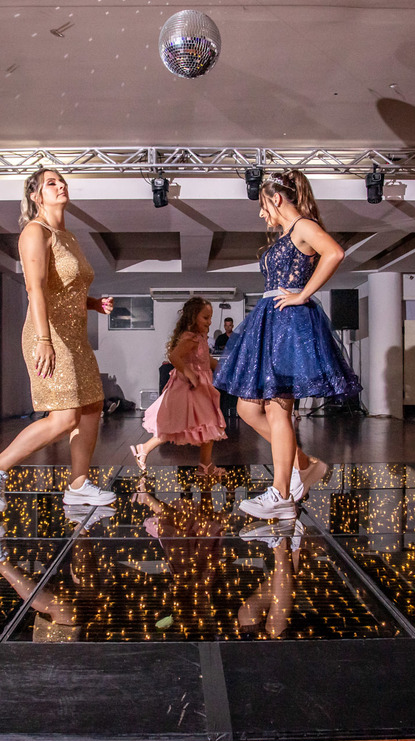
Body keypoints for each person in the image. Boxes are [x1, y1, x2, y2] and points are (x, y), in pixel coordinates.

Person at [213, 169, 361, 520]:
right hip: (271, 321)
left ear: (276, 198)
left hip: (289, 324)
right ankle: (305, 464)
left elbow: (334, 253)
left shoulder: (303, 227)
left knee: (278, 409)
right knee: (248, 409)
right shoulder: (286, 234)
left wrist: (302, 295)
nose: (261, 213)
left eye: (263, 205)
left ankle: (281, 494)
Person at [0, 169, 117, 512]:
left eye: (62, 181)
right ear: (36, 196)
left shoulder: (68, 237)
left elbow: (64, 289)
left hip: (75, 336)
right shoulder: (35, 232)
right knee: (64, 417)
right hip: (48, 334)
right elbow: (35, 288)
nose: (61, 185)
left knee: (92, 406)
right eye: (51, 183)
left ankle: (78, 485)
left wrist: (94, 303)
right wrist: (44, 340)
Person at [131, 297, 227, 474]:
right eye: (205, 317)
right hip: (190, 387)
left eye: (210, 318)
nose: (209, 322)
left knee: (208, 424)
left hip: (201, 386)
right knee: (186, 423)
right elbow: (174, 357)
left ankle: (205, 465)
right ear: (193, 317)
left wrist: (225, 369)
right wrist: (189, 373)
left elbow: (206, 359)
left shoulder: (201, 338)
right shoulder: (191, 338)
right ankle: (144, 448)